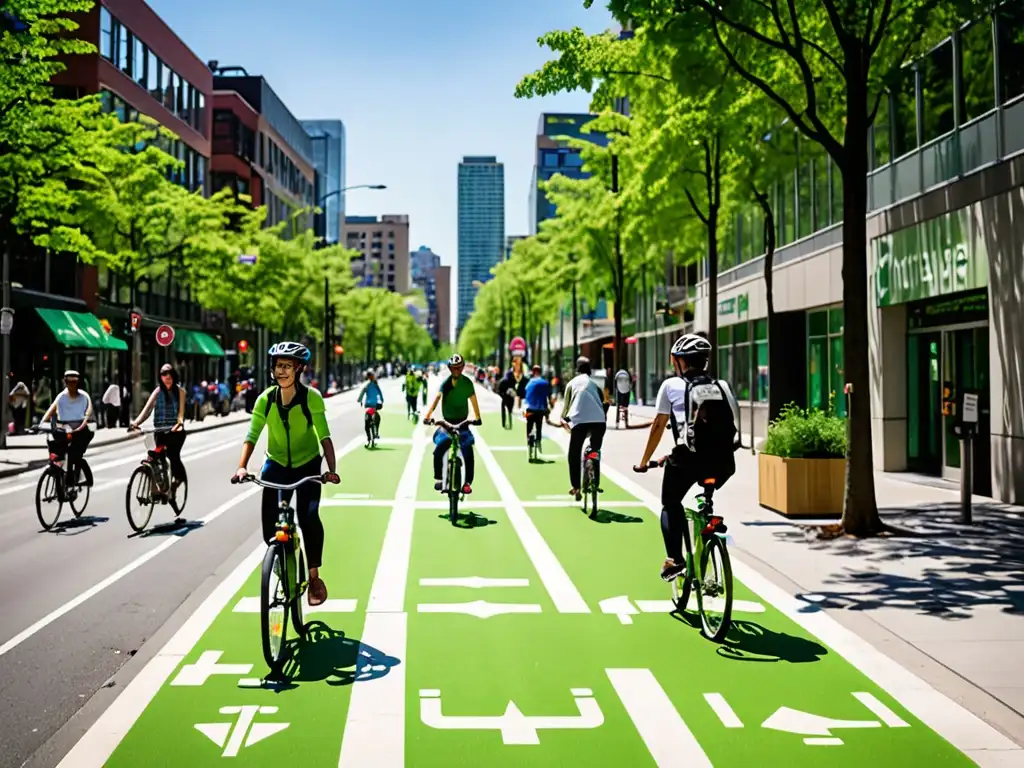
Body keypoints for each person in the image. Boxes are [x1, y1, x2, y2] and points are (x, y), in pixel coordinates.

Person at [230, 342, 339, 606]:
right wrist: (242, 466)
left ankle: (313, 576)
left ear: (298, 369)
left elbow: (323, 436)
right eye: (278, 366)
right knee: (269, 519)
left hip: (308, 464)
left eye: (287, 366)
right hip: (276, 464)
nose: (281, 371)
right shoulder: (265, 399)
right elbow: (252, 435)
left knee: (309, 516)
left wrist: (331, 470)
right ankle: (278, 559)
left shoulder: (311, 398)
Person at [632, 333, 740, 582]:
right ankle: (709, 523)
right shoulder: (721, 386)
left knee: (670, 503)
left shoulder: (670, 386)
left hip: (688, 460)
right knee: (706, 490)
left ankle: (675, 560)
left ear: (680, 361)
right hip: (724, 463)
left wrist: (644, 461)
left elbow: (659, 426)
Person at [423, 354, 482, 494]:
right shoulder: (446, 384)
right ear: (450, 368)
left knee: (468, 452)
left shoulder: (467, 383)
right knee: (438, 450)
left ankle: (467, 483)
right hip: (447, 424)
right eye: (454, 368)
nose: (456, 370)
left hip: (463, 423)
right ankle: (439, 478)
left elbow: (474, 401)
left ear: (462, 368)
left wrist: (477, 417)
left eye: (459, 368)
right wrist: (428, 416)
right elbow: (436, 400)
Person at [129, 364, 187, 498]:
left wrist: (178, 424)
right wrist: (136, 422)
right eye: (164, 374)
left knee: (173, 456)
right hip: (160, 431)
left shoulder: (180, 392)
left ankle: (177, 481)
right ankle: (158, 489)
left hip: (175, 432)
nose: (167, 377)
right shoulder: (157, 391)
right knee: (154, 457)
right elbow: (147, 409)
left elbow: (181, 414)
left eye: (170, 374)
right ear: (160, 377)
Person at [560, 356, 609, 498]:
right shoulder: (595, 384)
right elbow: (603, 403)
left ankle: (576, 487)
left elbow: (566, 407)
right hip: (599, 423)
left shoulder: (571, 384)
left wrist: (563, 419)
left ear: (577, 370)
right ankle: (596, 483)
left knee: (574, 454)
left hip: (579, 422)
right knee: (595, 451)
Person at [40, 370, 95, 479]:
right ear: (65, 382)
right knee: (56, 450)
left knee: (74, 454)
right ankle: (60, 478)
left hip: (81, 430)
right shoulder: (61, 397)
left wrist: (81, 425)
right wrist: (41, 424)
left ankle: (77, 475)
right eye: (69, 382)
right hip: (64, 429)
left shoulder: (84, 396)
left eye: (74, 382)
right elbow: (51, 409)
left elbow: (88, 412)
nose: (72, 384)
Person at [523, 363, 555, 455]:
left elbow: (526, 396)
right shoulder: (545, 383)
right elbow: (548, 396)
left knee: (529, 425)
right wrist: (549, 407)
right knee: (539, 426)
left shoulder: (529, 383)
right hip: (540, 409)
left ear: (533, 373)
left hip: (529, 409)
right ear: (540, 372)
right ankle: (538, 441)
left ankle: (529, 440)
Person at [497, 357, 527, 428]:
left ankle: (509, 423)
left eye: (519, 364)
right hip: (506, 392)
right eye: (516, 363)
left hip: (515, 394)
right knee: (504, 406)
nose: (517, 365)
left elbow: (522, 383)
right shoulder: (509, 373)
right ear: (513, 364)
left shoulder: (522, 374)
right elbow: (505, 381)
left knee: (510, 409)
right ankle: (504, 424)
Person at [358, 370, 384, 445]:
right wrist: (382, 401)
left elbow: (362, 394)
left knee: (366, 424)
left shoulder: (366, 384)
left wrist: (359, 400)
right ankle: (376, 433)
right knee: (376, 419)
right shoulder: (376, 385)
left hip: (368, 406)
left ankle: (368, 438)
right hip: (374, 405)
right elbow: (380, 395)